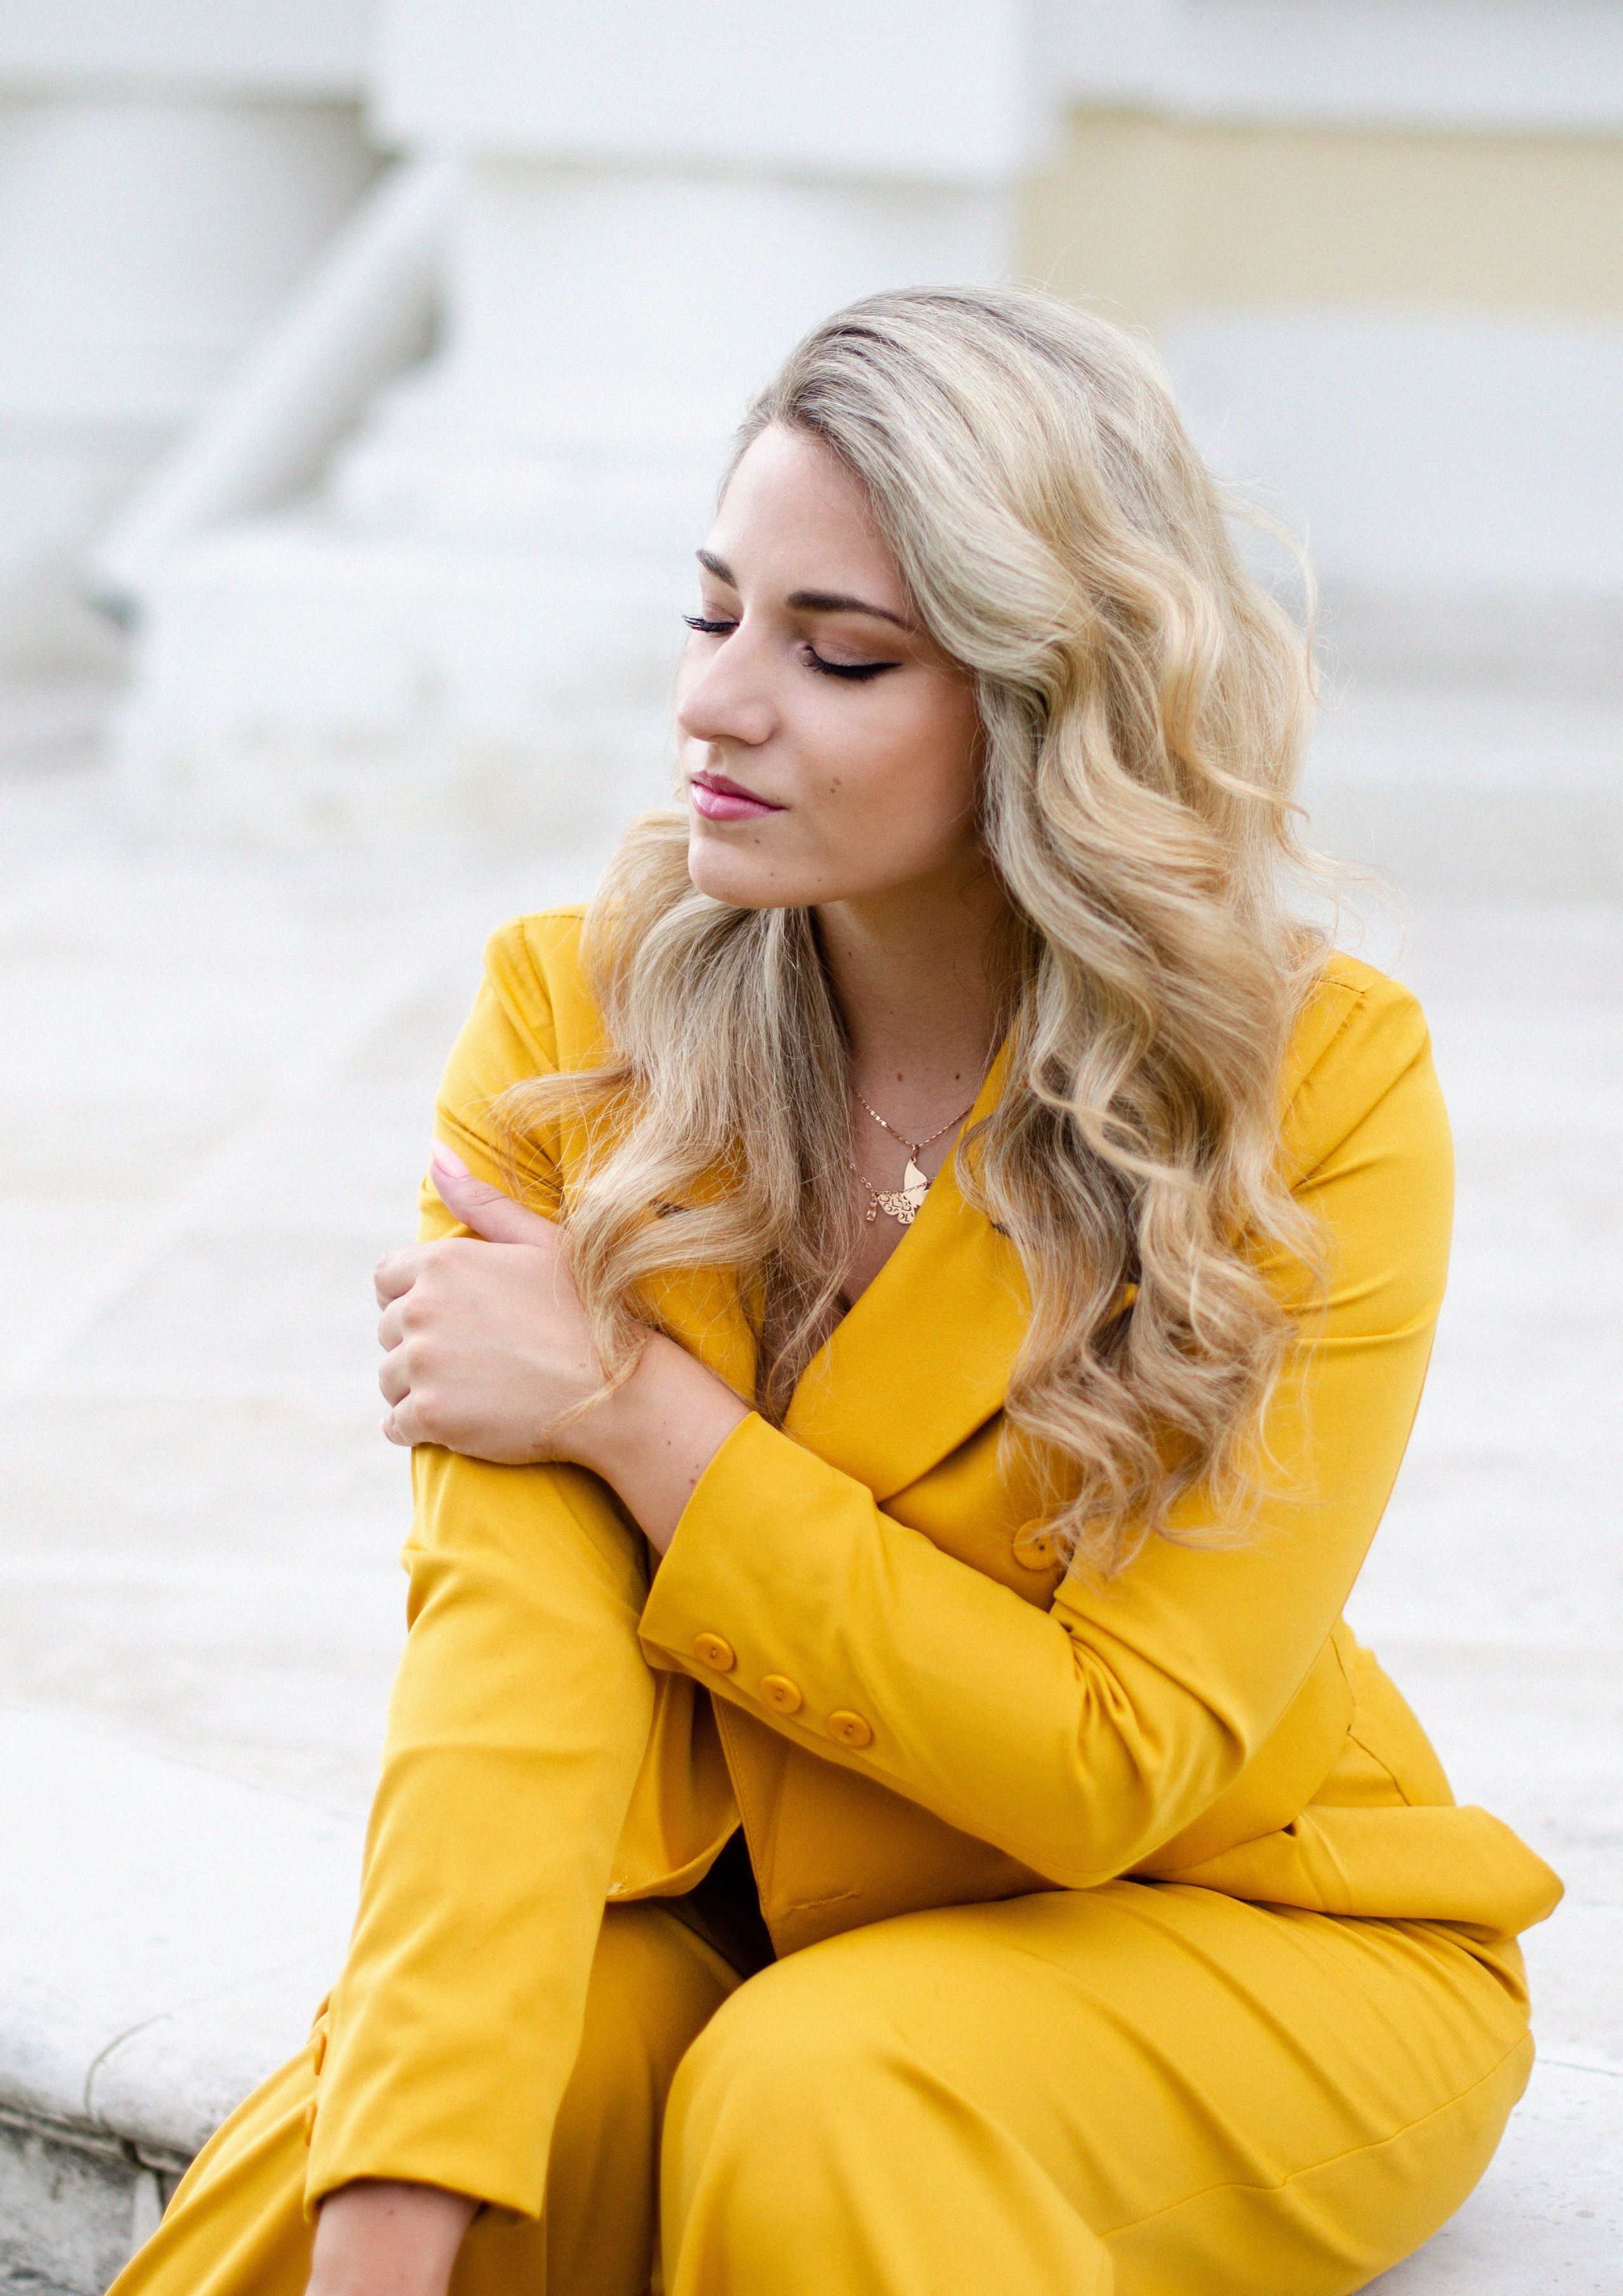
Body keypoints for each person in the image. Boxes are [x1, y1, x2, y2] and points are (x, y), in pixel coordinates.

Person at [112, 287, 1559, 2296]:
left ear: (1050, 699)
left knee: (823, 2087)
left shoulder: (1310, 1093)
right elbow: (506, 1682)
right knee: (437, 2111)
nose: (718, 704)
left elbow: (1112, 1760)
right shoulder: (569, 1029)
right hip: (734, 1916)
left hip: (1235, 1930)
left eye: (838, 651)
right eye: (712, 615)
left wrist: (641, 1415)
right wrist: (390, 2224)